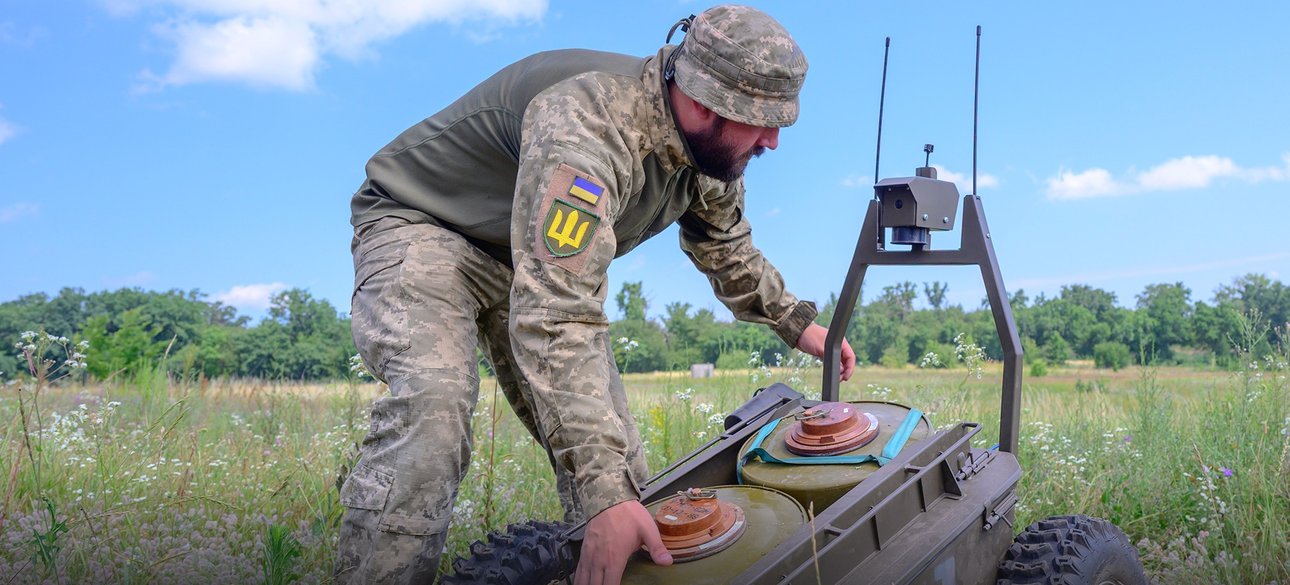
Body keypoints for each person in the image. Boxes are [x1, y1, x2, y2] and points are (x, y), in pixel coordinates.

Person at [336, 4, 856, 584]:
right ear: (710, 102)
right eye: (762, 120)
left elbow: (727, 245)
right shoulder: (587, 127)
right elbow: (557, 313)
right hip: (428, 225)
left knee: (626, 480)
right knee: (433, 413)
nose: (774, 141)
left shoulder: (710, 156)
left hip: (525, 260)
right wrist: (604, 495)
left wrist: (796, 322)